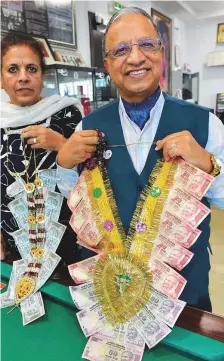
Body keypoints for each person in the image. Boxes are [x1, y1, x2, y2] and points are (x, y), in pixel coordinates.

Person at [56, 7, 224, 311]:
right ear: (107, 64)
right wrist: (64, 163)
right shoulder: (87, 128)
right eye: (121, 50)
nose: (135, 58)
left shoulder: (205, 124)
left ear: (161, 53)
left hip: (185, 293)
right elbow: (74, 201)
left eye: (146, 45)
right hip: (112, 294)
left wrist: (208, 163)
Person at [0, 32, 84, 271]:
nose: (23, 77)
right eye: (13, 69)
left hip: (66, 242)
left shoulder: (67, 115)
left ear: (43, 76)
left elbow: (93, 174)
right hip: (12, 244)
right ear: (1, 77)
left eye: (32, 69)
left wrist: (60, 144)